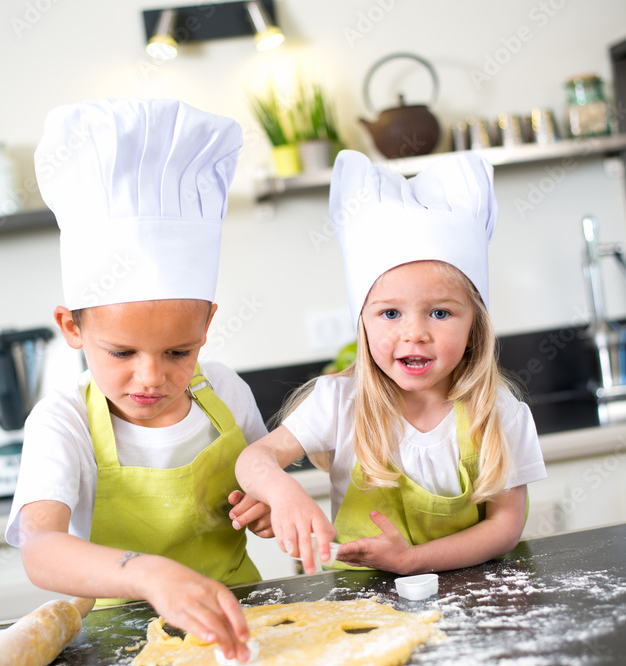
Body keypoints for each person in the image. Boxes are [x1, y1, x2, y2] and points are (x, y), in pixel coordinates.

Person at [6, 98, 271, 661]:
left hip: (244, 617)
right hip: (117, 644)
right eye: (121, 351)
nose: (151, 377)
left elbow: (261, 476)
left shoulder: (225, 391)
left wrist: (265, 503)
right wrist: (145, 573)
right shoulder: (64, 419)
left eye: (179, 350)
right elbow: (41, 547)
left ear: (208, 325)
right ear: (71, 328)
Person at [232, 149, 547, 576]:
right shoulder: (339, 403)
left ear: (475, 323)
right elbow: (254, 459)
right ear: (362, 323)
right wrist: (284, 493)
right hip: (361, 607)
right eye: (390, 313)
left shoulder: (498, 414)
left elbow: (505, 525)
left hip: (474, 596)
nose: (414, 333)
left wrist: (413, 561)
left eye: (439, 313)